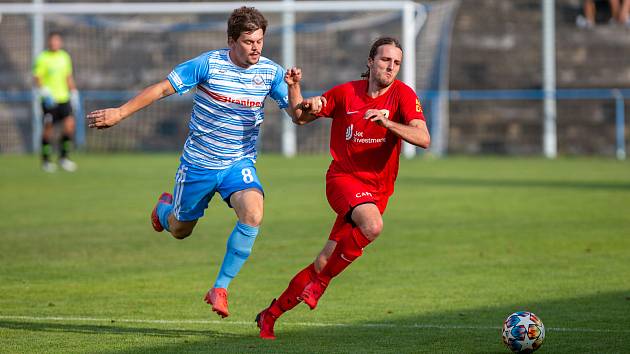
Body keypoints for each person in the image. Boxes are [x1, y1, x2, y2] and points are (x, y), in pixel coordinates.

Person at [87, 6, 292, 319]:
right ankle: (163, 210)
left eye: (260, 41)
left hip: (238, 163)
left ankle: (220, 287)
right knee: (181, 230)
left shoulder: (271, 73)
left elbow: (298, 114)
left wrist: (299, 94)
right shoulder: (207, 64)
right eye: (249, 41)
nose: (256, 47)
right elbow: (161, 89)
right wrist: (120, 113)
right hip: (198, 164)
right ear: (231, 40)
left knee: (253, 212)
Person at [255, 37, 431, 340]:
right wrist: (297, 90)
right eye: (385, 60)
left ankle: (269, 316)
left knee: (325, 260)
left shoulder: (403, 95)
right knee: (372, 225)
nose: (390, 67)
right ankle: (320, 285)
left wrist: (388, 124)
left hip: (378, 191)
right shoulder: (346, 93)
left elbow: (424, 138)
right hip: (343, 180)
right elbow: (301, 116)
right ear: (370, 61)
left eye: (396, 63)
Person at [33, 31, 79, 172]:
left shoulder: (64, 57)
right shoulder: (43, 58)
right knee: (48, 129)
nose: (54, 43)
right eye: (52, 41)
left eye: (57, 41)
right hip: (49, 100)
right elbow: (37, 77)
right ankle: (46, 160)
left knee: (70, 125)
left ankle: (64, 157)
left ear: (60, 42)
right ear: (49, 42)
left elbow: (68, 76)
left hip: (63, 98)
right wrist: (44, 92)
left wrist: (74, 92)